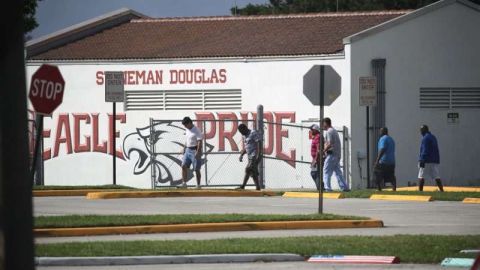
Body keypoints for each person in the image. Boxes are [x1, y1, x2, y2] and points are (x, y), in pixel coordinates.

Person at [322, 117, 349, 192]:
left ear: (325, 123)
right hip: (336, 154)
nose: (322, 126)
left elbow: (330, 143)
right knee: (338, 172)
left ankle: (327, 188)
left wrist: (324, 150)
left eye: (323, 124)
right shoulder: (333, 130)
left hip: (332, 154)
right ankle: (344, 187)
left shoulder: (329, 131)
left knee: (326, 171)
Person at [418, 125, 444, 192]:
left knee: (421, 176)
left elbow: (425, 150)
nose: (420, 132)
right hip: (434, 160)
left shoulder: (425, 138)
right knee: (436, 176)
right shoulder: (433, 137)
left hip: (426, 160)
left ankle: (420, 191)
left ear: (424, 130)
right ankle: (441, 190)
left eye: (421, 130)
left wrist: (422, 160)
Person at [237, 123, 261, 190]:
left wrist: (258, 155)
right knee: (252, 172)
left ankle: (243, 186)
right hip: (249, 156)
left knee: (248, 169)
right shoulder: (245, 136)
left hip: (254, 155)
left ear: (245, 128)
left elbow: (259, 143)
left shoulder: (253, 133)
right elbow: (247, 147)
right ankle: (258, 187)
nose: (241, 133)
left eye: (242, 131)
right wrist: (241, 155)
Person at [180, 116, 203, 188]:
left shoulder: (196, 130)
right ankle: (184, 183)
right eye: (184, 125)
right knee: (183, 166)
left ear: (190, 123)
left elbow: (199, 141)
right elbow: (187, 140)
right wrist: (184, 148)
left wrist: (198, 152)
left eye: (186, 125)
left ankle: (198, 185)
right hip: (187, 150)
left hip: (194, 150)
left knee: (196, 169)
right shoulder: (187, 130)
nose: (185, 126)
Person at [374, 127, 396, 191]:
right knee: (391, 175)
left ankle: (379, 189)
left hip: (383, 161)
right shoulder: (391, 139)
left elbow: (382, 149)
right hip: (392, 162)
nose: (380, 132)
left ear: (383, 132)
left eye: (380, 131)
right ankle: (394, 188)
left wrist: (377, 160)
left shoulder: (383, 139)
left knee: (376, 172)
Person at [309, 124, 323, 190]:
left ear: (315, 130)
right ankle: (321, 187)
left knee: (314, 173)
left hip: (318, 158)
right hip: (315, 158)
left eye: (312, 130)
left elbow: (318, 149)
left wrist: (316, 160)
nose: (311, 131)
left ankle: (320, 188)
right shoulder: (315, 136)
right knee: (315, 173)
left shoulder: (318, 137)